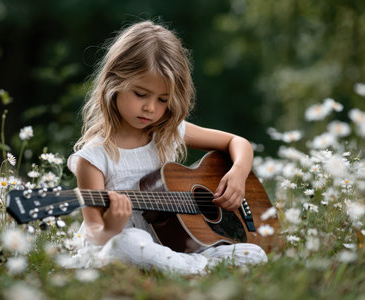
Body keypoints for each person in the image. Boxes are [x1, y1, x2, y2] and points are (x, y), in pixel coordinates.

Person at [66, 20, 267, 274]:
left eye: (163, 100)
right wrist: (111, 227)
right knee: (128, 243)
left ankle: (183, 266)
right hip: (121, 246)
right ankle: (199, 268)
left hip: (174, 245)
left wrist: (238, 173)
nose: (151, 108)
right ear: (114, 83)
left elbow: (237, 142)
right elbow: (94, 232)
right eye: (140, 94)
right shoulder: (94, 157)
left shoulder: (169, 132)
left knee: (255, 253)